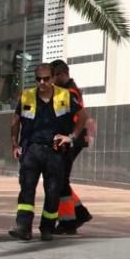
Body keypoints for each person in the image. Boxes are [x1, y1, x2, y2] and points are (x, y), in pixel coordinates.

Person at [9, 63, 84, 241]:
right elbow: (15, 121)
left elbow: (83, 117)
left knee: (52, 191)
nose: (42, 82)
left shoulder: (64, 95)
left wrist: (71, 137)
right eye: (38, 79)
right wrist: (14, 144)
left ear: (53, 78)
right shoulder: (26, 96)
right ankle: (23, 227)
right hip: (31, 150)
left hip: (55, 151)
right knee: (26, 189)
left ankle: (47, 228)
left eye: (46, 78)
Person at [50, 60, 93, 234]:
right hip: (71, 139)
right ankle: (79, 214)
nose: (53, 80)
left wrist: (70, 137)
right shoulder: (68, 90)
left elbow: (77, 117)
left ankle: (69, 221)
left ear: (63, 74)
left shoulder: (70, 92)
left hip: (71, 139)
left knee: (61, 180)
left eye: (55, 76)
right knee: (61, 179)